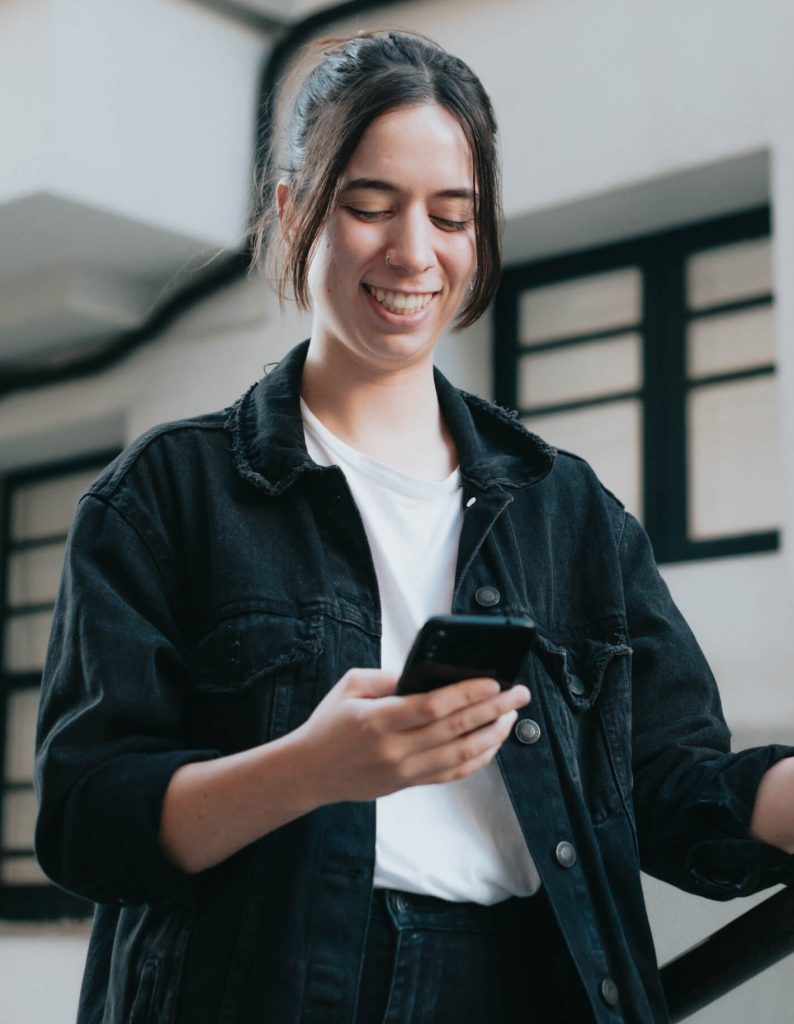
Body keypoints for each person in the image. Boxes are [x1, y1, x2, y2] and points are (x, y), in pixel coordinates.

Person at [34, 29, 794, 1024]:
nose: (412, 252)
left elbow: (671, 782)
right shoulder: (165, 496)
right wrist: (311, 770)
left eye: (450, 215)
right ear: (291, 208)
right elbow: (89, 820)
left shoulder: (569, 513)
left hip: (527, 984)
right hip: (265, 987)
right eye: (368, 205)